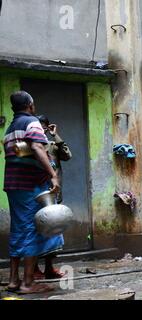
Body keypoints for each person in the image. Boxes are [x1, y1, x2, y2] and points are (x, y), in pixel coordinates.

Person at [3, 91, 62, 294]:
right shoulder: (32, 122)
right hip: (30, 185)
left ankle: (13, 281)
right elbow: (37, 147)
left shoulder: (10, 128)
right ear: (30, 104)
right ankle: (28, 283)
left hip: (13, 185)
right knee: (32, 228)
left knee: (18, 229)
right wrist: (53, 175)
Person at [32, 115, 72, 280]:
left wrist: (56, 135)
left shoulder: (53, 145)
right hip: (36, 194)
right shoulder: (30, 147)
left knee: (54, 231)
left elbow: (68, 155)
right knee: (35, 230)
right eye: (38, 126)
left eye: (44, 127)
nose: (41, 130)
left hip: (53, 193)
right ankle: (34, 268)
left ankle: (49, 267)